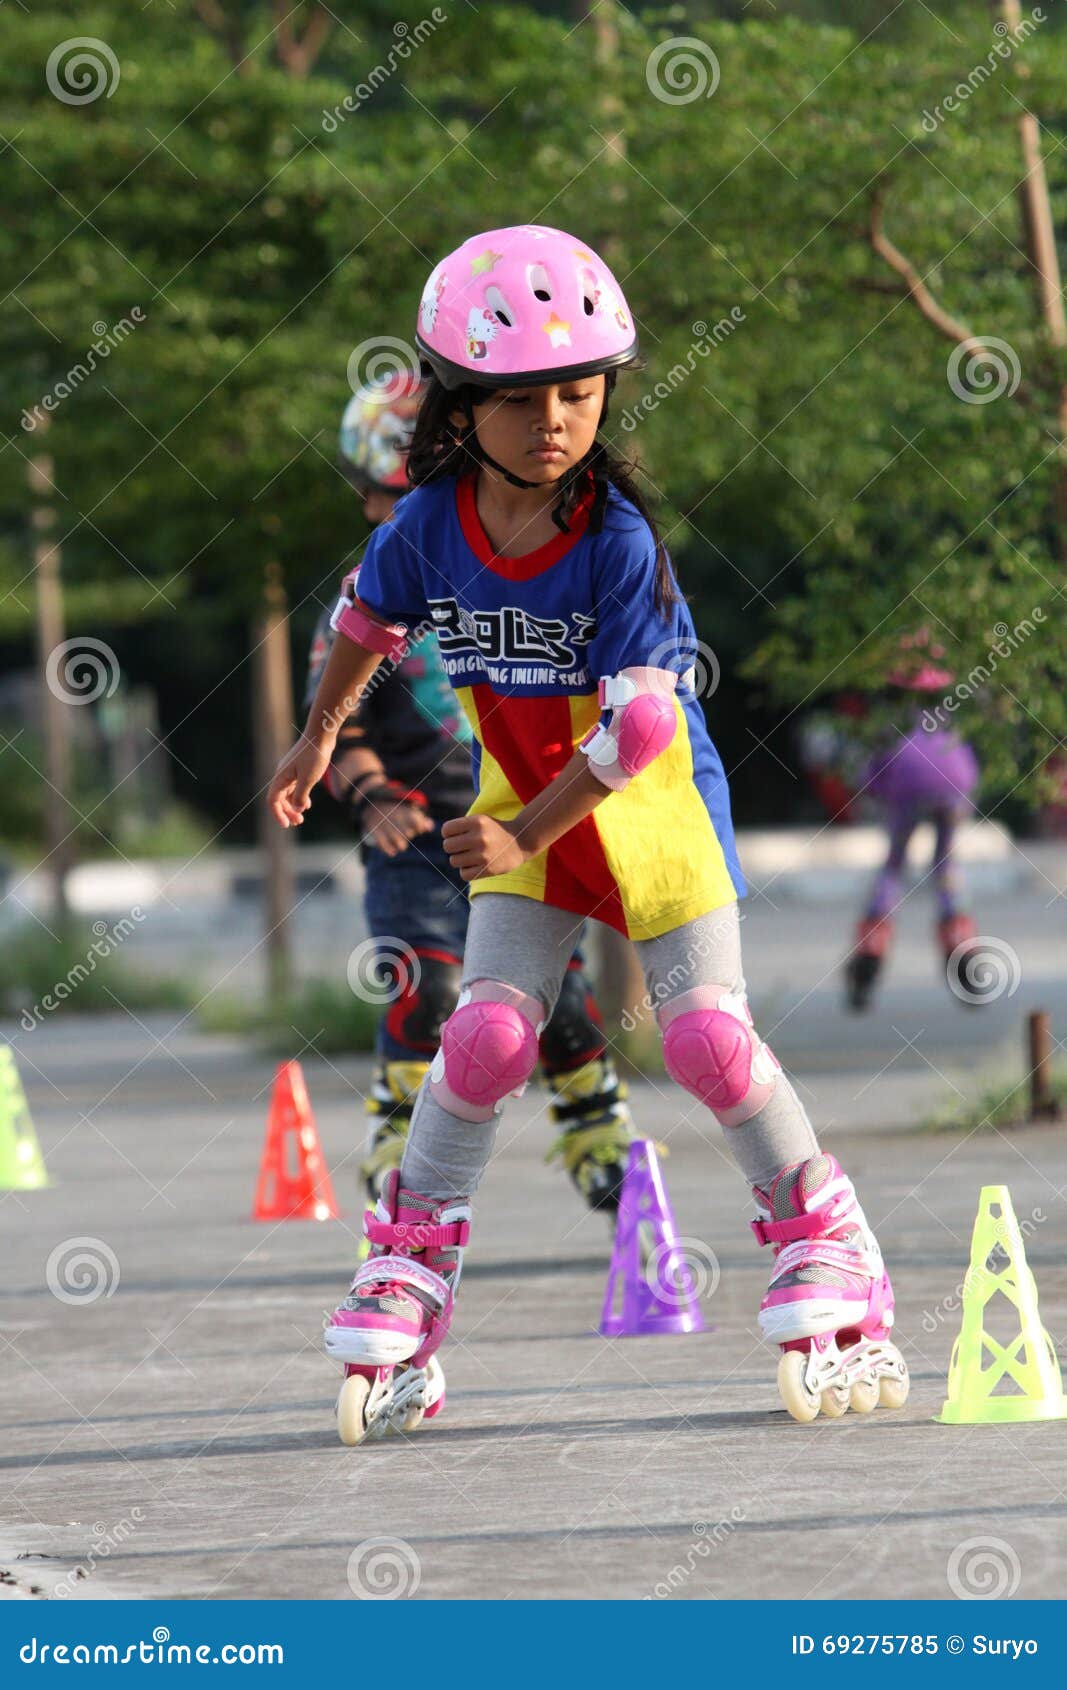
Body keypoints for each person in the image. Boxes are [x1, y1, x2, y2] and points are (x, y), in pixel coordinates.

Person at [269, 225, 909, 1442]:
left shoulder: (615, 540)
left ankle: (829, 1238)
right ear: (461, 404)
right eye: (519, 398)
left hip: (651, 811)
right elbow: (364, 617)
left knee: (708, 1041)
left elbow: (636, 737)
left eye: (577, 390)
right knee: (488, 1033)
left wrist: (516, 841)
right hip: (528, 808)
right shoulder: (427, 525)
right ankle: (410, 1254)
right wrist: (315, 738)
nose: (552, 418)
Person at [307, 371, 642, 1219]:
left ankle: (597, 1131)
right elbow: (337, 720)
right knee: (421, 987)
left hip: (517, 823)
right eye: (392, 500)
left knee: (556, 998)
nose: (412, 519)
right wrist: (376, 795)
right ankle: (399, 1141)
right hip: (417, 833)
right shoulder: (366, 599)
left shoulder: (525, 574)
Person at [844, 631, 983, 1011]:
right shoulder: (952, 719)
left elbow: (870, 777)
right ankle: (961, 943)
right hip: (954, 786)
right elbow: (970, 767)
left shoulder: (894, 725)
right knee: (945, 864)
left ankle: (872, 945)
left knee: (894, 865)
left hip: (906, 787)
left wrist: (874, 793)